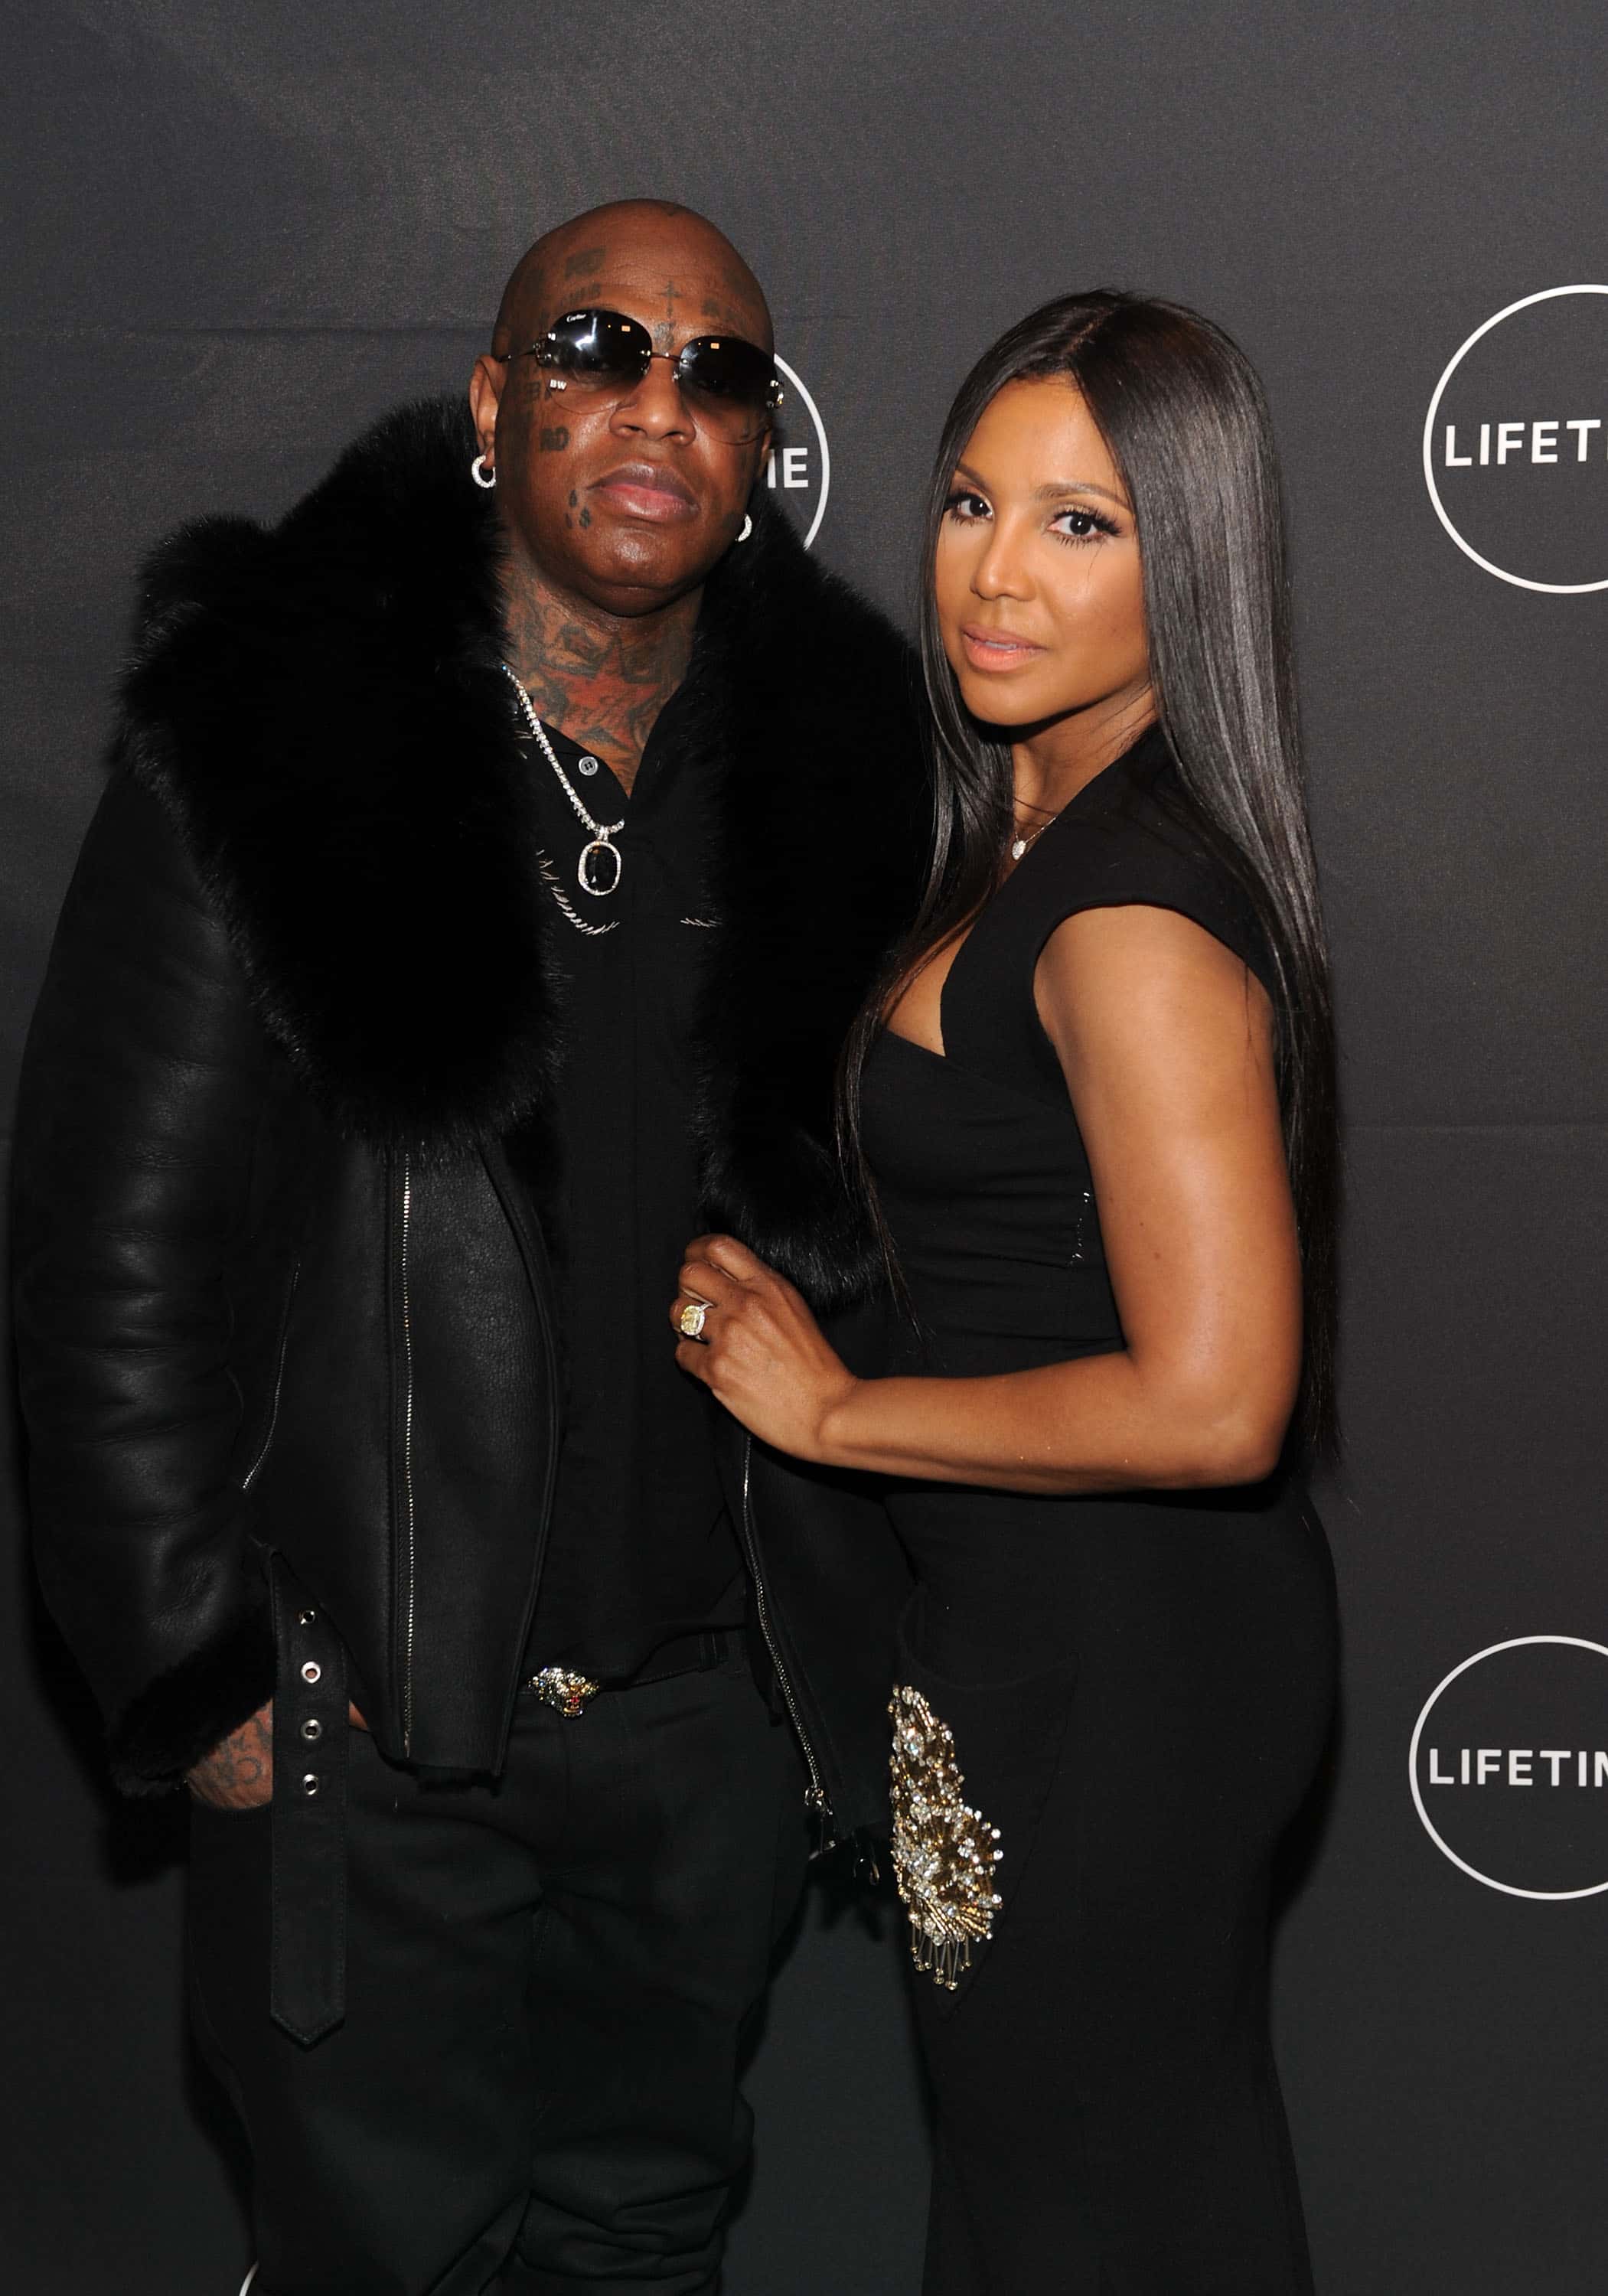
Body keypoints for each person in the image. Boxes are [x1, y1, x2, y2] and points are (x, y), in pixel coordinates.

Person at [12, 201, 923, 2295]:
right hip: (368, 1735)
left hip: (699, 1732)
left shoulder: (842, 775)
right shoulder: (273, 741)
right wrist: (201, 1674)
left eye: (719, 374)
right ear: (496, 404)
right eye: (600, 350)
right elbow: (110, 1261)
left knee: (646, 2241)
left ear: (759, 449)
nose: (658, 407)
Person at [671, 290, 1340, 2294]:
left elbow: (1217, 1399)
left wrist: (832, 1412)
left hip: (1121, 1668)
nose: (996, 573)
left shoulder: (1131, 919)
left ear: (1187, 560)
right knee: (1077, 2204)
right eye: (973, 503)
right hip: (1042, 1632)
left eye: (1082, 524)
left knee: (1086, 2215)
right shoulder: (1033, 829)